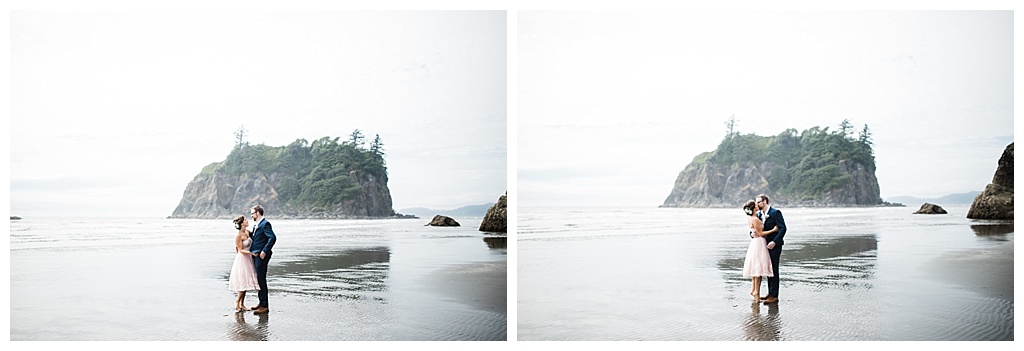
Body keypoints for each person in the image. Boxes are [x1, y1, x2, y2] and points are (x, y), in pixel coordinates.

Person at [756, 194, 786, 304]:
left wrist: (774, 241)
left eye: (759, 202)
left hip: (775, 245)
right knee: (768, 268)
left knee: (774, 268)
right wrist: (752, 234)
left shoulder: (775, 212)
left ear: (765, 201)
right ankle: (770, 292)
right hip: (763, 245)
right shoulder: (759, 214)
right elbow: (757, 228)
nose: (757, 204)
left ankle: (774, 295)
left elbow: (783, 228)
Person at [741, 200, 773, 302]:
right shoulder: (755, 219)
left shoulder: (750, 218)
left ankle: (754, 290)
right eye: (756, 204)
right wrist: (774, 230)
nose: (757, 205)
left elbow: (754, 231)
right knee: (758, 269)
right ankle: (756, 293)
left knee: (756, 268)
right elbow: (761, 233)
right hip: (759, 243)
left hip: (756, 242)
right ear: (753, 208)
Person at [249, 205, 276, 314]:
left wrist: (264, 251)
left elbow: (272, 237)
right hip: (256, 255)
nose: (251, 215)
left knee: (261, 279)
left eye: (252, 213)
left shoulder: (265, 224)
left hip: (262, 256)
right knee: (259, 279)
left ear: (258, 213)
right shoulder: (257, 224)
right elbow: (257, 238)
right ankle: (261, 303)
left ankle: (264, 306)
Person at [228, 215, 260, 312]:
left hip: (248, 259)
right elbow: (241, 250)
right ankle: (237, 302)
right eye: (245, 220)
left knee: (246, 281)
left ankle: (242, 304)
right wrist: (252, 253)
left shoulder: (247, 232)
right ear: (242, 223)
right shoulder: (238, 236)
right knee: (243, 281)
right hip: (242, 259)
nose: (247, 221)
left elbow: (255, 236)